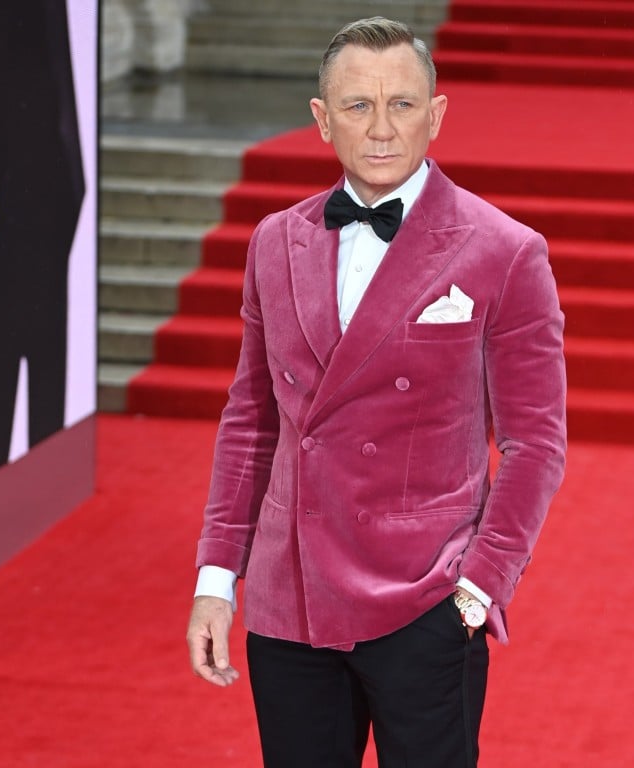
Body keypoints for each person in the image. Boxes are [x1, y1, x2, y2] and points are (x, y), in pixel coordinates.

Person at [187, 16, 566, 768]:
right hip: (288, 604)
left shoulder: (505, 251)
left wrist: (479, 588)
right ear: (323, 121)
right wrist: (215, 579)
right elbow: (250, 424)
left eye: (402, 103)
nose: (383, 127)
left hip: (423, 604)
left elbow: (536, 444)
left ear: (438, 113)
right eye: (359, 106)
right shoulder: (273, 241)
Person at [0, 0, 85, 479]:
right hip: (25, 197)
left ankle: (30, 473)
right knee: (11, 359)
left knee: (19, 358)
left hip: (33, 201)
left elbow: (52, 102)